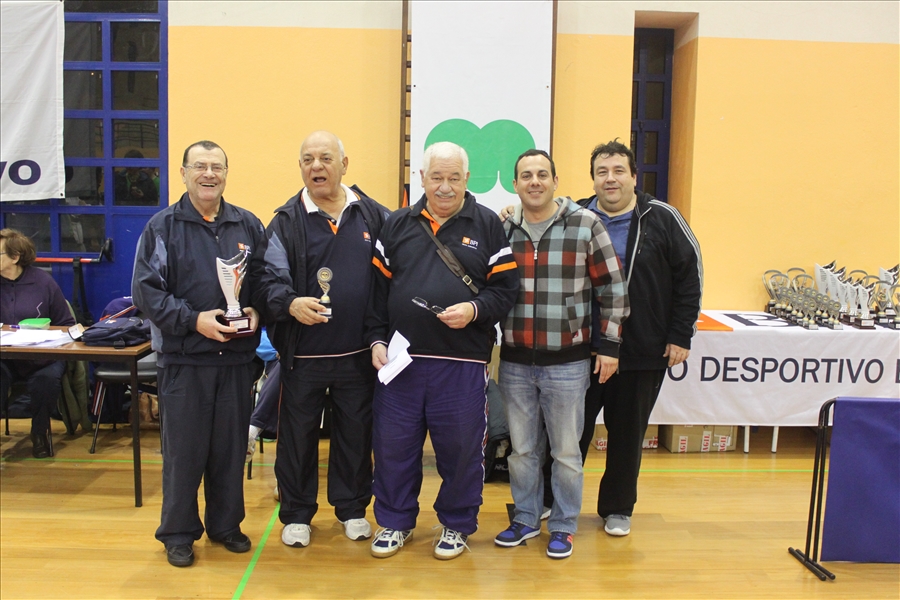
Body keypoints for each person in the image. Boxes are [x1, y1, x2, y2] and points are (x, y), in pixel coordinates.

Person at [366, 141, 519, 560]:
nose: (445, 187)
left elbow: (505, 290)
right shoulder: (395, 225)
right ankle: (395, 522)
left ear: (467, 179)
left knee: (462, 451)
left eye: (454, 178)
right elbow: (375, 295)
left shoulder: (487, 225)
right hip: (402, 364)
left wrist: (474, 309)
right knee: (394, 448)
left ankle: (456, 525)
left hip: (462, 364)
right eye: (437, 177)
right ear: (422, 178)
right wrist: (376, 339)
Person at [545, 139, 702, 537]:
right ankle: (553, 500)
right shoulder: (573, 216)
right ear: (593, 179)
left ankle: (617, 508)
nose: (610, 179)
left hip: (641, 349)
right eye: (602, 172)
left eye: (618, 171)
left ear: (634, 176)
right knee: (568, 433)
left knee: (627, 435)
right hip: (580, 348)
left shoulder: (662, 218)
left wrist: (681, 334)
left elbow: (690, 278)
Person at [249, 131, 390, 549]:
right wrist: (290, 303)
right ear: (300, 167)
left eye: (326, 158)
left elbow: (401, 258)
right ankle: (296, 514)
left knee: (355, 436)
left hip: (358, 354)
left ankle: (352, 509)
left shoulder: (373, 215)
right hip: (303, 356)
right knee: (297, 438)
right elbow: (265, 281)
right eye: (308, 159)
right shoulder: (285, 221)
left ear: (344, 165)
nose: (317, 167)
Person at [132, 140, 264, 568]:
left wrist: (258, 310)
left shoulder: (247, 224)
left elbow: (265, 280)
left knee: (229, 452)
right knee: (184, 456)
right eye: (200, 166)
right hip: (184, 362)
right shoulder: (162, 227)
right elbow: (146, 292)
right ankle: (178, 533)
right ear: (184, 173)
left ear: (226, 173)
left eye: (217, 167)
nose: (209, 174)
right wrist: (194, 321)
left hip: (236, 362)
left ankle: (225, 525)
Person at [493, 150, 629, 559]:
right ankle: (525, 518)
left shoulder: (585, 224)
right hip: (515, 362)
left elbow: (613, 289)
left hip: (568, 363)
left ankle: (565, 525)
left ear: (555, 181)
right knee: (521, 451)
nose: (534, 182)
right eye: (526, 176)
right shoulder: (504, 228)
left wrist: (609, 345)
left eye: (542, 174)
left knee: (567, 453)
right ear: (515, 184)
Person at [0, 228, 76, 458]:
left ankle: (39, 432)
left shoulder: (43, 282)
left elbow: (67, 324)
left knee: (46, 380)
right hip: (6, 357)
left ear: (15, 257)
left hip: (43, 357)